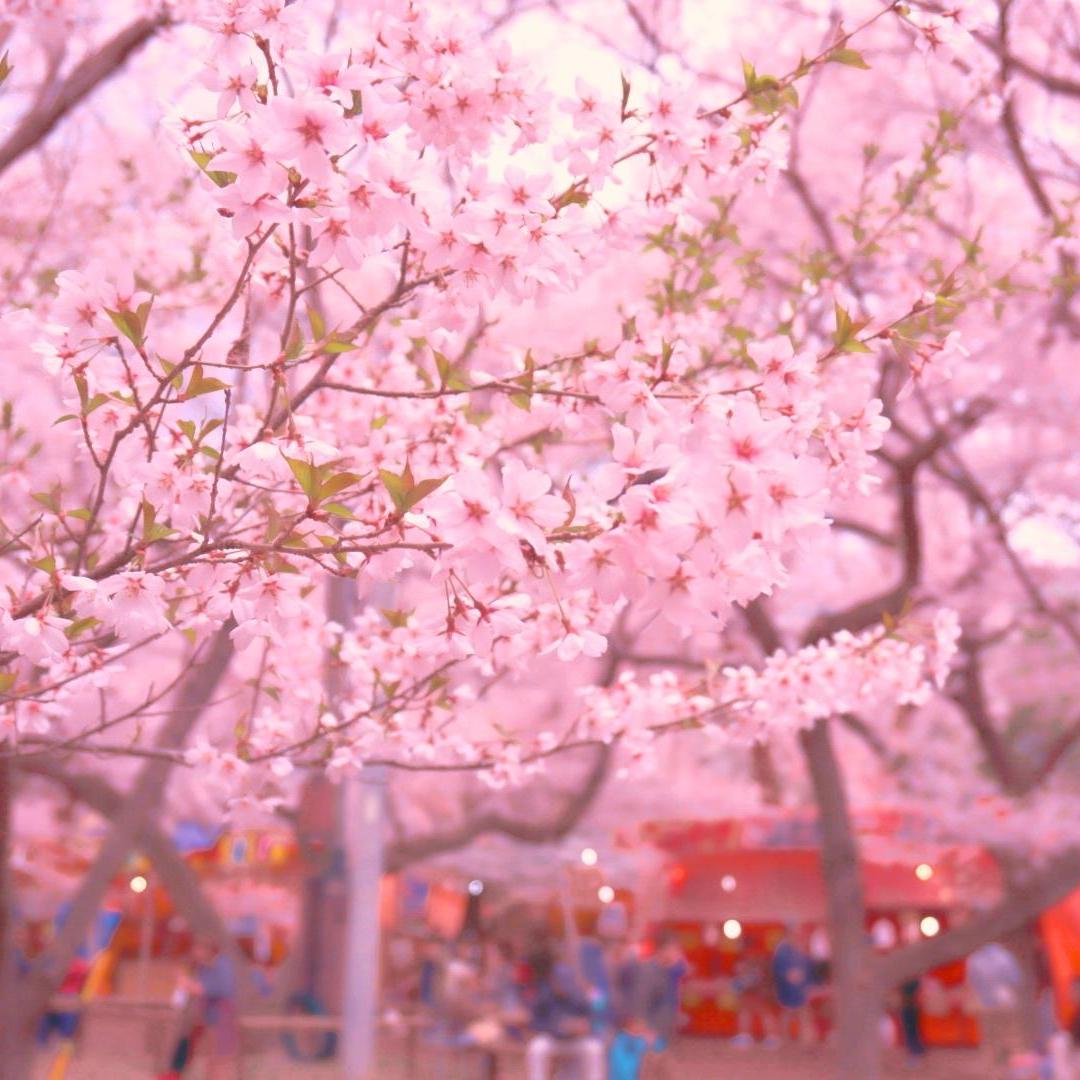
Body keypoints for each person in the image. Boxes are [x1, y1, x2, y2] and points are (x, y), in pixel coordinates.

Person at [522, 941, 604, 1080]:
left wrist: (584, 1026)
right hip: (553, 1040)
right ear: (553, 981)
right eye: (560, 983)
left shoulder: (577, 995)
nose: (563, 987)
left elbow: (593, 1018)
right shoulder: (545, 996)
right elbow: (535, 1022)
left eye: (566, 983)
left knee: (594, 1049)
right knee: (536, 1048)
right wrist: (556, 1027)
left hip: (574, 1041)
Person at [771, 925, 816, 1044]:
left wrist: (806, 983)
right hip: (788, 988)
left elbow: (807, 967)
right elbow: (783, 970)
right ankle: (787, 1040)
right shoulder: (783, 950)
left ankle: (805, 1040)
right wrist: (793, 977)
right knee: (790, 1012)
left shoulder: (798, 949)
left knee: (801, 1012)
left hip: (798, 988)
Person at [898, 977, 926, 1064]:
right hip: (910, 1007)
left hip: (909, 1007)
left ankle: (915, 1052)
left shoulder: (910, 983)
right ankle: (916, 1051)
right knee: (911, 1029)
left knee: (910, 1029)